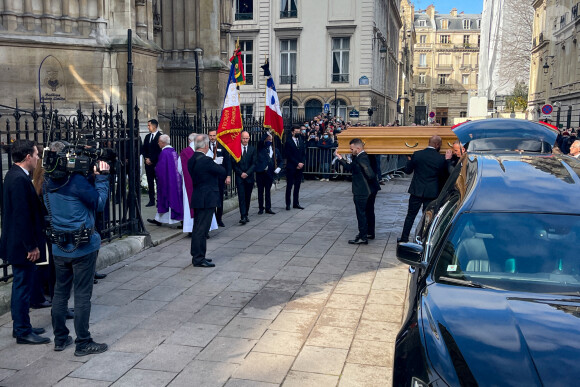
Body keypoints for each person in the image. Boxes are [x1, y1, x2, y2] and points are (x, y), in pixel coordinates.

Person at [45, 142, 110, 356]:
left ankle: (60, 339)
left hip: (59, 247)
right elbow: (98, 204)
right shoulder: (77, 182)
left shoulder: (47, 182)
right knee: (82, 295)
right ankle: (83, 342)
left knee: (60, 293)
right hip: (83, 247)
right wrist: (101, 178)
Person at [0, 140, 51, 345]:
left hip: (18, 242)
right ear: (28, 157)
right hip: (22, 245)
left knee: (22, 286)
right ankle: (22, 330)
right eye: (37, 155)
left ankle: (21, 325)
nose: (38, 158)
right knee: (22, 287)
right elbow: (21, 216)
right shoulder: (18, 180)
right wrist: (31, 246)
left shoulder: (15, 175)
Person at [398, 135, 448, 243]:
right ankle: (424, 239)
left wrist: (409, 159)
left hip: (417, 190)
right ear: (437, 145)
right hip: (431, 192)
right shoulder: (440, 158)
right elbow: (443, 176)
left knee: (410, 215)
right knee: (428, 218)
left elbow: (407, 170)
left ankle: (404, 238)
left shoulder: (417, 154)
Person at [188, 134, 226, 268]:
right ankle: (199, 258)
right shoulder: (206, 160)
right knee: (202, 230)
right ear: (205, 146)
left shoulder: (192, 159)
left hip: (198, 196)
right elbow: (222, 171)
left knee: (198, 228)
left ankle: (198, 255)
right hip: (207, 198)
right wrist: (216, 163)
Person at [336, 139, 380, 244]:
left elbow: (370, 174)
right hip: (371, 189)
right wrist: (340, 157)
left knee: (361, 213)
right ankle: (369, 232)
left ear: (358, 148)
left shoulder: (362, 158)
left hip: (362, 190)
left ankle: (363, 237)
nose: (350, 151)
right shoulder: (363, 156)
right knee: (369, 211)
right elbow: (350, 167)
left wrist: (369, 180)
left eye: (352, 149)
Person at [178, 133, 218, 234]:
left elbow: (179, 169)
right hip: (205, 183)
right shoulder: (205, 150)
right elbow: (213, 164)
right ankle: (207, 229)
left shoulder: (184, 152)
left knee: (190, 206)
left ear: (189, 141)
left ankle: (191, 229)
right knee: (206, 207)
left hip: (189, 184)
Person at [147, 135, 183, 226]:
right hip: (174, 180)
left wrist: (156, 169)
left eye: (159, 141)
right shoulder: (173, 151)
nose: (158, 143)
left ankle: (163, 219)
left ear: (163, 143)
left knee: (165, 199)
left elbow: (161, 168)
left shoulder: (164, 153)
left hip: (167, 181)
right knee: (173, 199)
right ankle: (159, 219)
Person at [208, 129, 232, 227]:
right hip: (210, 176)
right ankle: (212, 219)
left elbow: (228, 162)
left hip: (220, 176)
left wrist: (228, 175)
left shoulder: (222, 146)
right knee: (211, 198)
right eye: (210, 135)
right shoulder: (205, 146)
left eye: (214, 135)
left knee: (220, 198)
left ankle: (219, 218)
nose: (212, 137)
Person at [232, 131, 257, 224]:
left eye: (247, 138)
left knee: (247, 196)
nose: (245, 140)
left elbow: (254, 163)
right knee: (241, 196)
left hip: (249, 177)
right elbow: (234, 164)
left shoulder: (252, 149)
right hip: (239, 177)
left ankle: (246, 213)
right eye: (244, 138)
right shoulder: (236, 149)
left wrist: (247, 173)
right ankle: (242, 216)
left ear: (249, 138)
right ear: (240, 138)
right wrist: (241, 173)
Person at [256, 133, 282, 215]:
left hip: (270, 173)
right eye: (267, 140)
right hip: (261, 173)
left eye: (270, 140)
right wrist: (267, 132)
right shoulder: (261, 148)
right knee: (260, 191)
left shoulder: (275, 150)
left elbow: (281, 161)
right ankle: (260, 208)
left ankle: (268, 207)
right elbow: (260, 141)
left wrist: (279, 168)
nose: (268, 141)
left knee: (268, 191)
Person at [141, 119, 162, 207]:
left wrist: (152, 160)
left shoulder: (160, 137)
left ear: (154, 126)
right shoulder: (147, 137)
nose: (148, 127)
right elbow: (143, 149)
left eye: (149, 125)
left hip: (156, 163)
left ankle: (159, 200)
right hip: (148, 164)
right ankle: (151, 200)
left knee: (158, 182)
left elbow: (159, 151)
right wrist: (146, 158)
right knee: (150, 182)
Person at [285, 126, 306, 210]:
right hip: (291, 166)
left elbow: (304, 153)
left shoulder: (301, 141)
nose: (298, 133)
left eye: (299, 131)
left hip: (300, 167)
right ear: (292, 132)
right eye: (296, 131)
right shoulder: (288, 142)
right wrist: (297, 163)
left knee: (297, 185)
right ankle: (288, 203)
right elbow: (288, 155)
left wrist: (302, 163)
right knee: (289, 185)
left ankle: (296, 203)